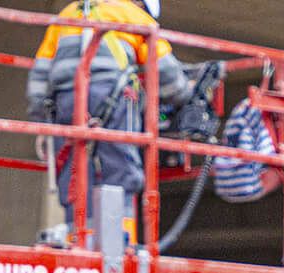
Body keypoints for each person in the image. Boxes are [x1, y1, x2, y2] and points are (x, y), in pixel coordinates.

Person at [26, 0, 192, 239]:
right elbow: (167, 74)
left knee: (74, 173)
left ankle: (79, 238)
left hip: (66, 100)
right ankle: (119, 241)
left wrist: (41, 120)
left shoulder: (69, 12)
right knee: (120, 169)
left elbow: (40, 75)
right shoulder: (135, 17)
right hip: (112, 96)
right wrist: (186, 93)